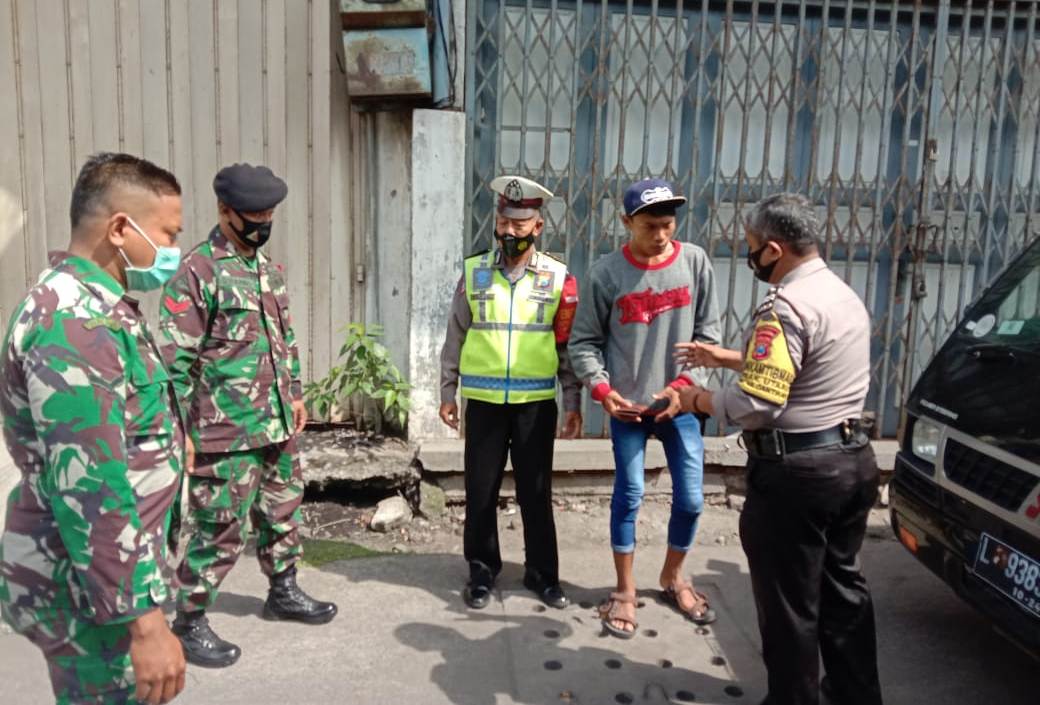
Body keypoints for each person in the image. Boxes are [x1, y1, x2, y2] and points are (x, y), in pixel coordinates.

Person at [675, 192, 883, 705]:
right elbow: (805, 365)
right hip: (853, 463)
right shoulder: (840, 294)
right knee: (844, 593)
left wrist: (699, 399)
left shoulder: (784, 305)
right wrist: (726, 357)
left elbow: (759, 403)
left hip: (798, 478)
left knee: (791, 608)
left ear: (773, 248)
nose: (751, 258)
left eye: (752, 247)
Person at [0, 153, 187, 704]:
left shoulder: (98, 306)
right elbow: (90, 487)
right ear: (121, 229)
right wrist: (143, 621)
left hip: (100, 582)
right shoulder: (74, 322)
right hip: (90, 596)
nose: (173, 250)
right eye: (168, 234)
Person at [159, 163, 337, 669]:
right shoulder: (198, 271)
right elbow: (175, 363)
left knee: (283, 510)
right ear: (225, 211)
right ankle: (189, 620)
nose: (263, 224)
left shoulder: (267, 271)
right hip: (225, 432)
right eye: (255, 217)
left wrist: (295, 394)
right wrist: (177, 432)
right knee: (218, 527)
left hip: (275, 422)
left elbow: (284, 342)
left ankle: (283, 590)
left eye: (269, 216)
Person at [568, 178, 721, 639]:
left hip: (681, 405)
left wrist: (682, 389)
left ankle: (673, 576)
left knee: (691, 498)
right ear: (626, 222)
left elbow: (709, 337)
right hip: (628, 409)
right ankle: (625, 588)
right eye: (650, 226)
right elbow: (583, 342)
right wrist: (602, 391)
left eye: (668, 225)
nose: (660, 235)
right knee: (630, 493)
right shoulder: (606, 273)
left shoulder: (694, 262)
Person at [439, 175, 582, 610]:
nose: (509, 232)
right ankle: (482, 570)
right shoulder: (474, 273)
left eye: (519, 225)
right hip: (483, 404)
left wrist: (572, 402)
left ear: (538, 226)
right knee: (480, 491)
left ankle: (542, 573)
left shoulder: (558, 278)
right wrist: (447, 391)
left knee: (535, 493)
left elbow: (566, 347)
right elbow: (455, 336)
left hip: (534, 405)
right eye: (503, 222)